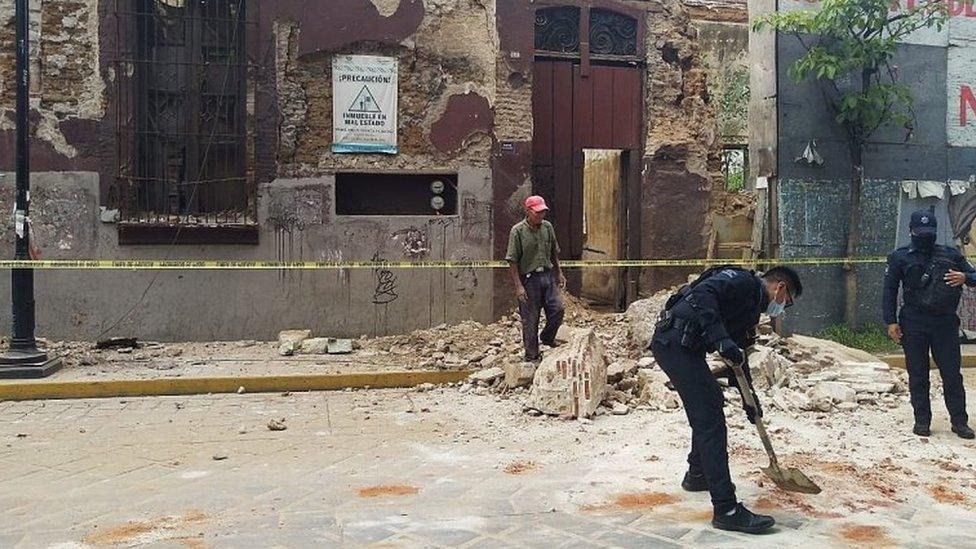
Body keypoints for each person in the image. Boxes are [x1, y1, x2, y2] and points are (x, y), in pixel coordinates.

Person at [651, 264, 802, 534]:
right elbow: (703, 293)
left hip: (683, 347)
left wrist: (749, 399)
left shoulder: (750, 309)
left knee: (711, 405)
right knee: (711, 420)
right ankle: (726, 510)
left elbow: (738, 355)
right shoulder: (744, 283)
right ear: (780, 288)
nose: (782, 308)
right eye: (786, 303)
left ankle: (698, 474)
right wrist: (720, 340)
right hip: (673, 343)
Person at [883, 210, 975, 439]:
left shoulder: (951, 255)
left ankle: (959, 422)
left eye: (929, 233)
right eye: (920, 233)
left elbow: (974, 276)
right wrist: (890, 321)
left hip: (944, 323)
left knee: (952, 375)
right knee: (918, 374)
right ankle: (922, 421)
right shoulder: (900, 257)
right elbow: (890, 289)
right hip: (914, 322)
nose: (925, 237)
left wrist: (965, 277)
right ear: (911, 232)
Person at [506, 195, 567, 362]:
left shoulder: (547, 227)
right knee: (530, 318)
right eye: (537, 212)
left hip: (547, 276)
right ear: (528, 211)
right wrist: (519, 286)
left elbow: (554, 252)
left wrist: (559, 273)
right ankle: (531, 355)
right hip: (529, 279)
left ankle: (547, 337)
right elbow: (512, 260)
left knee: (558, 309)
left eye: (543, 212)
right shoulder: (517, 231)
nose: (541, 215)